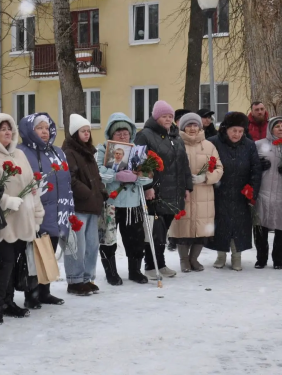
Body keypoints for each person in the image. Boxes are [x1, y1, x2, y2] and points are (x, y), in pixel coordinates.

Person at [0, 113, 45, 322]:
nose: (8, 133)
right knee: (4, 262)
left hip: (23, 219)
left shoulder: (19, 154)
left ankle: (9, 302)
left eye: (10, 129)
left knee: (14, 262)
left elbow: (32, 186)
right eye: (2, 129)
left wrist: (37, 212)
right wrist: (6, 200)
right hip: (3, 219)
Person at [18, 112, 72, 305]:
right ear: (29, 130)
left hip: (57, 211)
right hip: (36, 212)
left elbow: (66, 180)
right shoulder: (22, 152)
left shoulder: (57, 151)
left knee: (49, 252)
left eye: (47, 128)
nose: (44, 132)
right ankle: (30, 294)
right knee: (33, 254)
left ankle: (45, 291)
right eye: (39, 128)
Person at [135, 101, 192, 279]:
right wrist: (147, 186)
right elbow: (139, 163)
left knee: (164, 230)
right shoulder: (145, 135)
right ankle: (151, 266)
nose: (168, 119)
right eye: (164, 116)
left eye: (170, 116)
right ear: (156, 117)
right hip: (156, 192)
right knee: (154, 231)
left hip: (174, 191)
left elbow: (184, 164)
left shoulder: (175, 136)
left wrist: (187, 187)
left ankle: (160, 263)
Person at [96, 112, 153, 284]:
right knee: (108, 239)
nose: (122, 135)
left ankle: (135, 270)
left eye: (125, 132)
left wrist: (136, 178)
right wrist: (116, 176)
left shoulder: (138, 151)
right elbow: (98, 172)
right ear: (111, 134)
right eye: (118, 132)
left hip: (132, 203)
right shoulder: (104, 149)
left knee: (135, 239)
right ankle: (111, 272)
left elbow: (148, 176)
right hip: (111, 202)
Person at [168, 113, 223, 272]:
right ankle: (184, 260)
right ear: (182, 127)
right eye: (188, 125)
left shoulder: (209, 146)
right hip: (182, 193)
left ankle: (194, 259)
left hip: (203, 193)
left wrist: (206, 178)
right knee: (182, 227)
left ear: (200, 127)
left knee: (201, 228)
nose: (192, 128)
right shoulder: (175, 144)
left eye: (195, 125)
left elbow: (219, 168)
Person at [207, 112, 262, 270]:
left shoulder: (249, 145)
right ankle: (221, 255)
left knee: (239, 225)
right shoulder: (213, 143)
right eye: (234, 131)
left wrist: (252, 190)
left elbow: (256, 170)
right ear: (226, 129)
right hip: (220, 191)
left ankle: (236, 256)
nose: (237, 134)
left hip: (241, 192)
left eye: (240, 131)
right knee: (221, 224)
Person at [61, 114, 106, 293]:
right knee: (76, 246)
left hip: (92, 205)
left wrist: (101, 191)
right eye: (83, 131)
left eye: (88, 131)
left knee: (91, 245)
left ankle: (87, 277)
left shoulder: (89, 153)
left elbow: (95, 177)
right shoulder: (69, 153)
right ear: (75, 133)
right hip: (78, 206)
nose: (87, 134)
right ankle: (74, 280)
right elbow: (70, 178)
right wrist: (87, 193)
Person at [253, 117, 282, 269]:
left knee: (281, 226)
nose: (280, 129)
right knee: (260, 226)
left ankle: (278, 259)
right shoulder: (259, 145)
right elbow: (250, 165)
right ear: (270, 129)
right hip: (262, 192)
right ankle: (261, 258)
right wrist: (258, 166)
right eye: (277, 126)